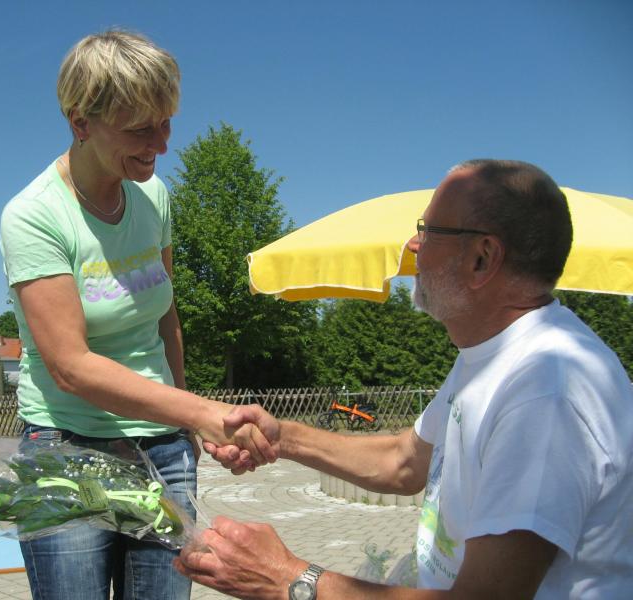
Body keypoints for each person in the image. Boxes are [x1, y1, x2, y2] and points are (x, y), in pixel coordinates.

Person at [177, 159, 633, 599]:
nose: (413, 246)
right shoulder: (493, 355)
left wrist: (287, 580)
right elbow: (404, 462)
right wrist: (282, 437)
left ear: (482, 258)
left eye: (428, 230)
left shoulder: (546, 391)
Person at [0, 29, 275, 600]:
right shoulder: (33, 216)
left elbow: (165, 314)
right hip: (67, 451)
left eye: (166, 123)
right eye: (140, 129)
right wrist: (202, 412)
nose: (162, 144)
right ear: (81, 123)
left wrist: (181, 422)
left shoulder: (154, 198)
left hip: (163, 447)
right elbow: (70, 366)